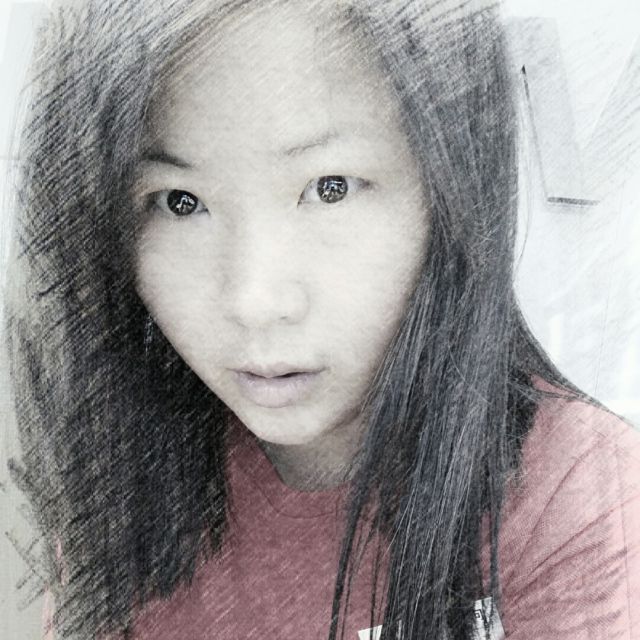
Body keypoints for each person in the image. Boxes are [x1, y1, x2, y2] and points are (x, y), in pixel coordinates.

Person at [2, 0, 639, 638]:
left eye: (330, 187)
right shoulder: (123, 485)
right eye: (181, 202)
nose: (253, 300)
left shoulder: (576, 489)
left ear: (451, 190)